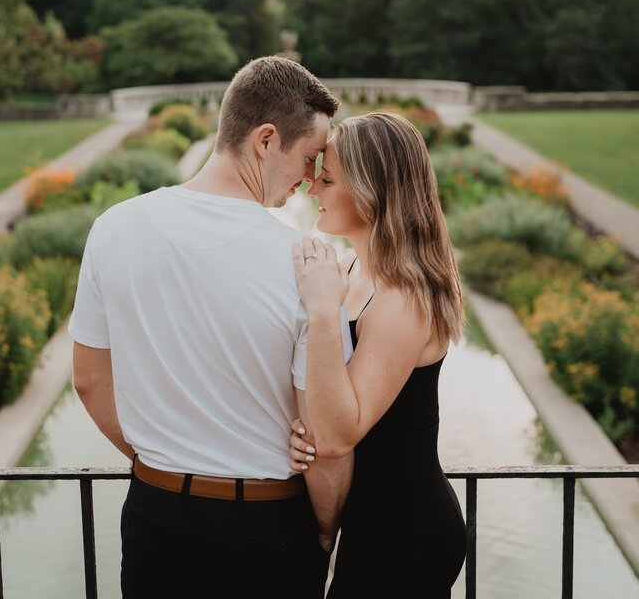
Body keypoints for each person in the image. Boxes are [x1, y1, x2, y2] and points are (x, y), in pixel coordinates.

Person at [68, 56, 351, 598]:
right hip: (270, 528)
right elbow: (318, 434)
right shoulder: (309, 264)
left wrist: (164, 468)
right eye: (312, 157)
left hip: (156, 518)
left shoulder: (113, 228)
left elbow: (89, 381)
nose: (312, 178)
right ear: (266, 141)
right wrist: (323, 530)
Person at [289, 110, 469, 597]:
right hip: (369, 521)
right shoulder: (351, 267)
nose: (312, 191)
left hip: (405, 534)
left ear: (371, 192)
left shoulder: (401, 298)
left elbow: (340, 432)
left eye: (326, 180)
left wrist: (323, 312)